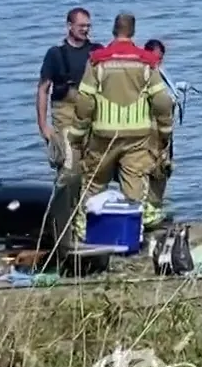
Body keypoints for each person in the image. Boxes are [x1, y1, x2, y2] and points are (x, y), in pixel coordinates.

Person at [64, 12, 175, 237]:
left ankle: (85, 230)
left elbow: (85, 101)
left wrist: (77, 134)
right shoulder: (146, 62)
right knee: (134, 185)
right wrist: (165, 131)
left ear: (114, 31)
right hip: (137, 136)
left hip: (103, 134)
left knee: (94, 182)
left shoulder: (98, 60)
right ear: (133, 32)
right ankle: (132, 232)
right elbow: (162, 101)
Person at [36, 7, 94, 172]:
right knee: (69, 169)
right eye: (81, 25)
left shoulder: (96, 51)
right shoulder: (55, 54)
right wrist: (43, 126)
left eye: (88, 26)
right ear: (69, 25)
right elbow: (43, 89)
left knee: (92, 170)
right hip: (65, 116)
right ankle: (65, 196)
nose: (85, 29)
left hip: (91, 117)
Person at [143, 39, 175, 213]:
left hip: (164, 132)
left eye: (160, 59)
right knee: (149, 171)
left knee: (163, 170)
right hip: (149, 133)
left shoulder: (162, 75)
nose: (156, 63)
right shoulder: (142, 75)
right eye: (154, 59)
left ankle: (156, 208)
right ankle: (148, 209)